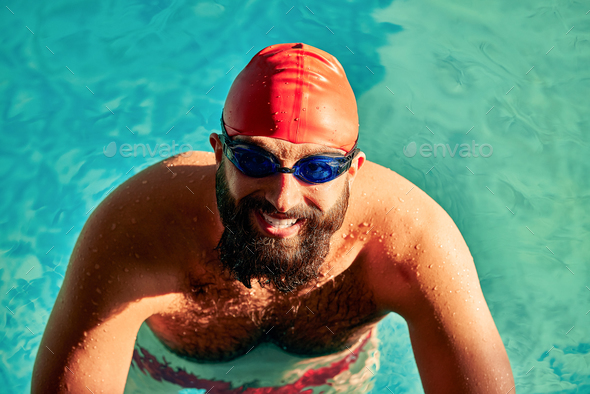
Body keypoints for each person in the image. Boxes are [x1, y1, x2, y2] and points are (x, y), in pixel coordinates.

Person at [32, 43, 515, 393]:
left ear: (353, 171)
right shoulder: (140, 231)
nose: (284, 197)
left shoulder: (411, 240)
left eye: (318, 168)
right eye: (256, 161)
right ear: (219, 154)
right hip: (166, 381)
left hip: (328, 382)